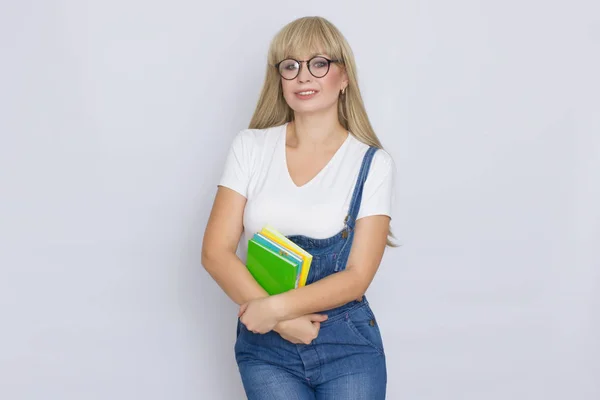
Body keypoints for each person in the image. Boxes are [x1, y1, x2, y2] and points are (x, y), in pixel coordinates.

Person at [201, 15, 397, 400]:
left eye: (319, 63)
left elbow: (357, 277)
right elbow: (215, 252)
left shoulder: (372, 163)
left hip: (347, 344)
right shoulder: (251, 147)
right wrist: (281, 323)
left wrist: (275, 311)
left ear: (344, 78)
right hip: (265, 350)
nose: (303, 76)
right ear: (280, 81)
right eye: (290, 66)